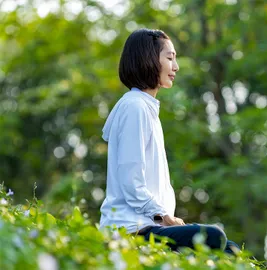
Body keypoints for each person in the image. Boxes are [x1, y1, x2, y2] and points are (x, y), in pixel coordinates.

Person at [99, 28, 239, 255]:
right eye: (170, 58)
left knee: (231, 250)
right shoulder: (134, 107)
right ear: (149, 58)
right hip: (131, 229)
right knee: (215, 237)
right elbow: (130, 180)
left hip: (150, 226)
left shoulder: (145, 108)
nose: (176, 67)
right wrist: (165, 217)